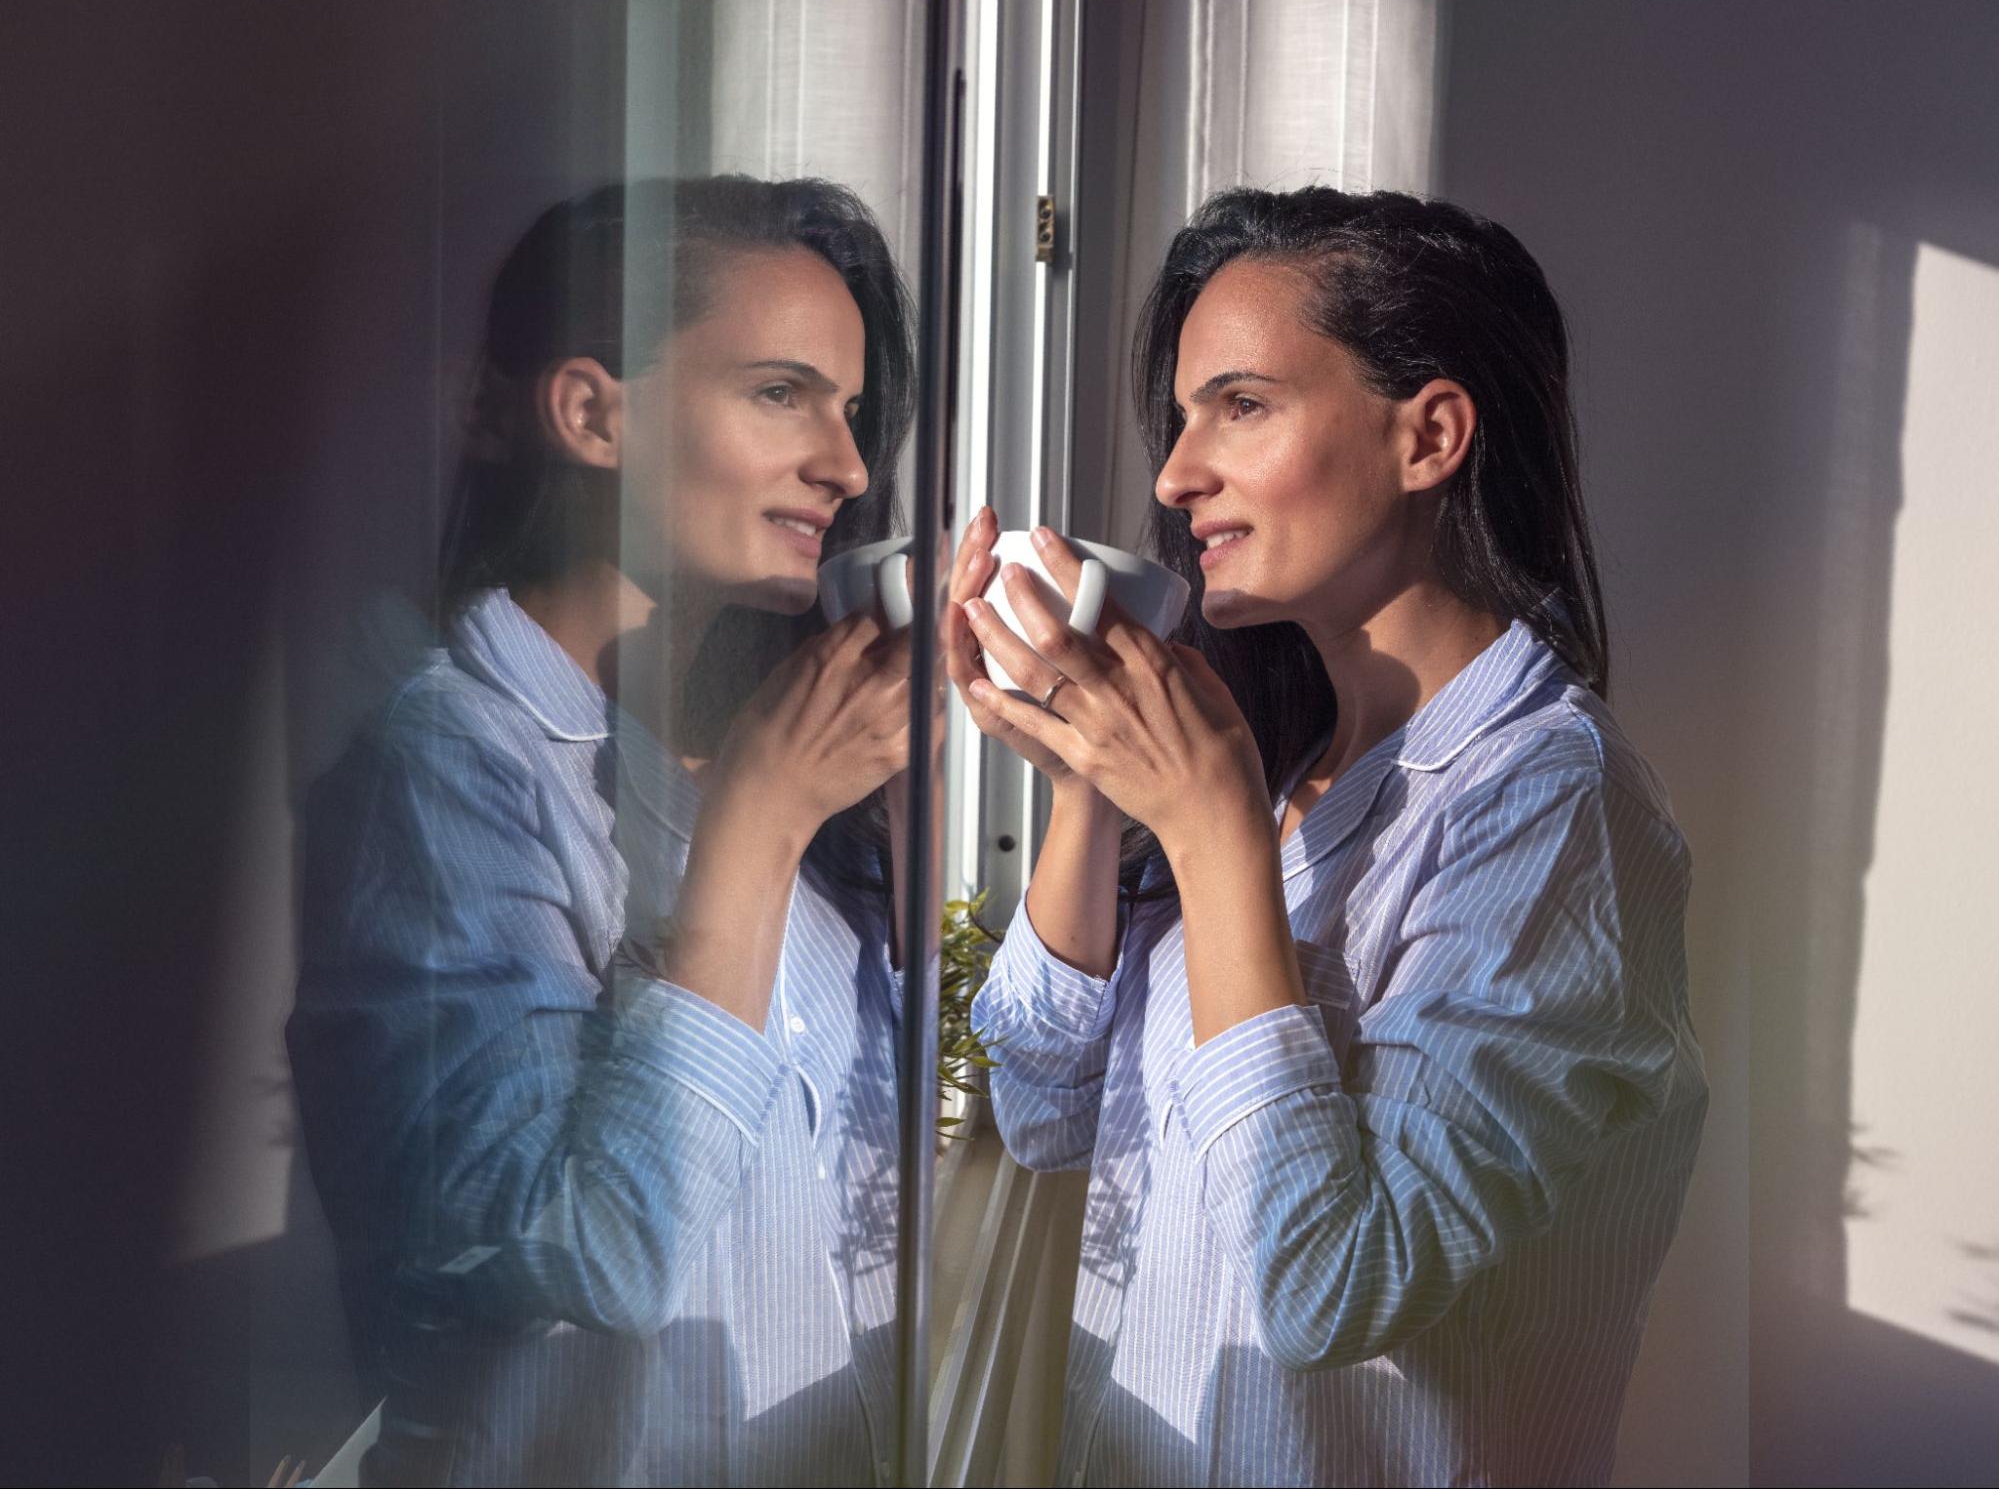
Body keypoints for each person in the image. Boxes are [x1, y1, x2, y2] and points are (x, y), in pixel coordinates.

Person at [947, 187, 1708, 1486]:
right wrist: (1093, 780)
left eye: (1240, 406)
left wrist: (1210, 831)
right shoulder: (1284, 764)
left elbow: (1333, 1288)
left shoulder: (1545, 803)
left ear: (1431, 437)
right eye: (1181, 418)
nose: (1178, 476)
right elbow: (1042, 1112)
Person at [287, 176, 917, 1487]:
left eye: (850, 412)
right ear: (589, 413)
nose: (847, 467)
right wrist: (757, 832)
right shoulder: (448, 767)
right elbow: (580, 1256)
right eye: (780, 392)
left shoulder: (742, 773)